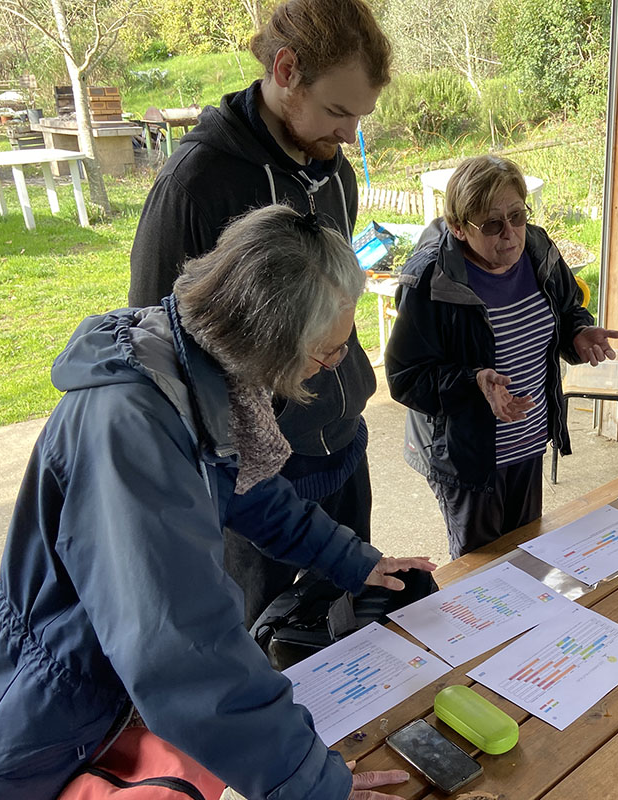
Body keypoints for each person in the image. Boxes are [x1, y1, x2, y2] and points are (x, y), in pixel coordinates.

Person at [0, 205, 434, 800]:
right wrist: (312, 785)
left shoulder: (202, 368)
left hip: (114, 698)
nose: (334, 365)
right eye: (326, 352)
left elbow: (253, 492)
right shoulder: (133, 425)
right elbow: (184, 646)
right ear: (271, 341)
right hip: (52, 708)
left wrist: (353, 560)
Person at [128, 0, 392, 628]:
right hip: (256, 482)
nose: (348, 134)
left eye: (359, 116)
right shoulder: (195, 186)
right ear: (285, 68)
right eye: (337, 111)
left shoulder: (336, 176)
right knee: (257, 638)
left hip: (342, 448)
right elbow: (153, 340)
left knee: (349, 626)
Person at [384, 155, 618, 559]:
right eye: (492, 224)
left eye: (517, 216)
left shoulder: (538, 248)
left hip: (527, 444)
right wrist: (474, 382)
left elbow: (565, 310)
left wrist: (578, 333)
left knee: (526, 557)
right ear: (459, 228)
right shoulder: (431, 279)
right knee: (482, 575)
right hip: (467, 460)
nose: (510, 234)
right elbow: (406, 377)